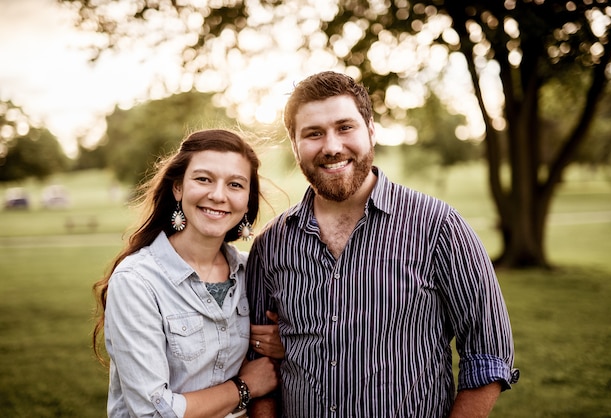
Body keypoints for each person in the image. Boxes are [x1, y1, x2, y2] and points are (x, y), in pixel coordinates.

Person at [246, 71, 519, 417]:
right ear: (295, 144)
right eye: (313, 133)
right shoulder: (271, 244)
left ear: (371, 130)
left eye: (345, 127)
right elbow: (259, 363)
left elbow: (488, 353)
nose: (331, 147)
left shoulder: (439, 226)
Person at [92, 129, 280, 418]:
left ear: (247, 200)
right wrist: (245, 387)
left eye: (235, 184)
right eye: (203, 179)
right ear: (178, 188)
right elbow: (153, 412)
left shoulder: (251, 271)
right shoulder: (137, 281)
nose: (218, 195)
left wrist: (285, 344)